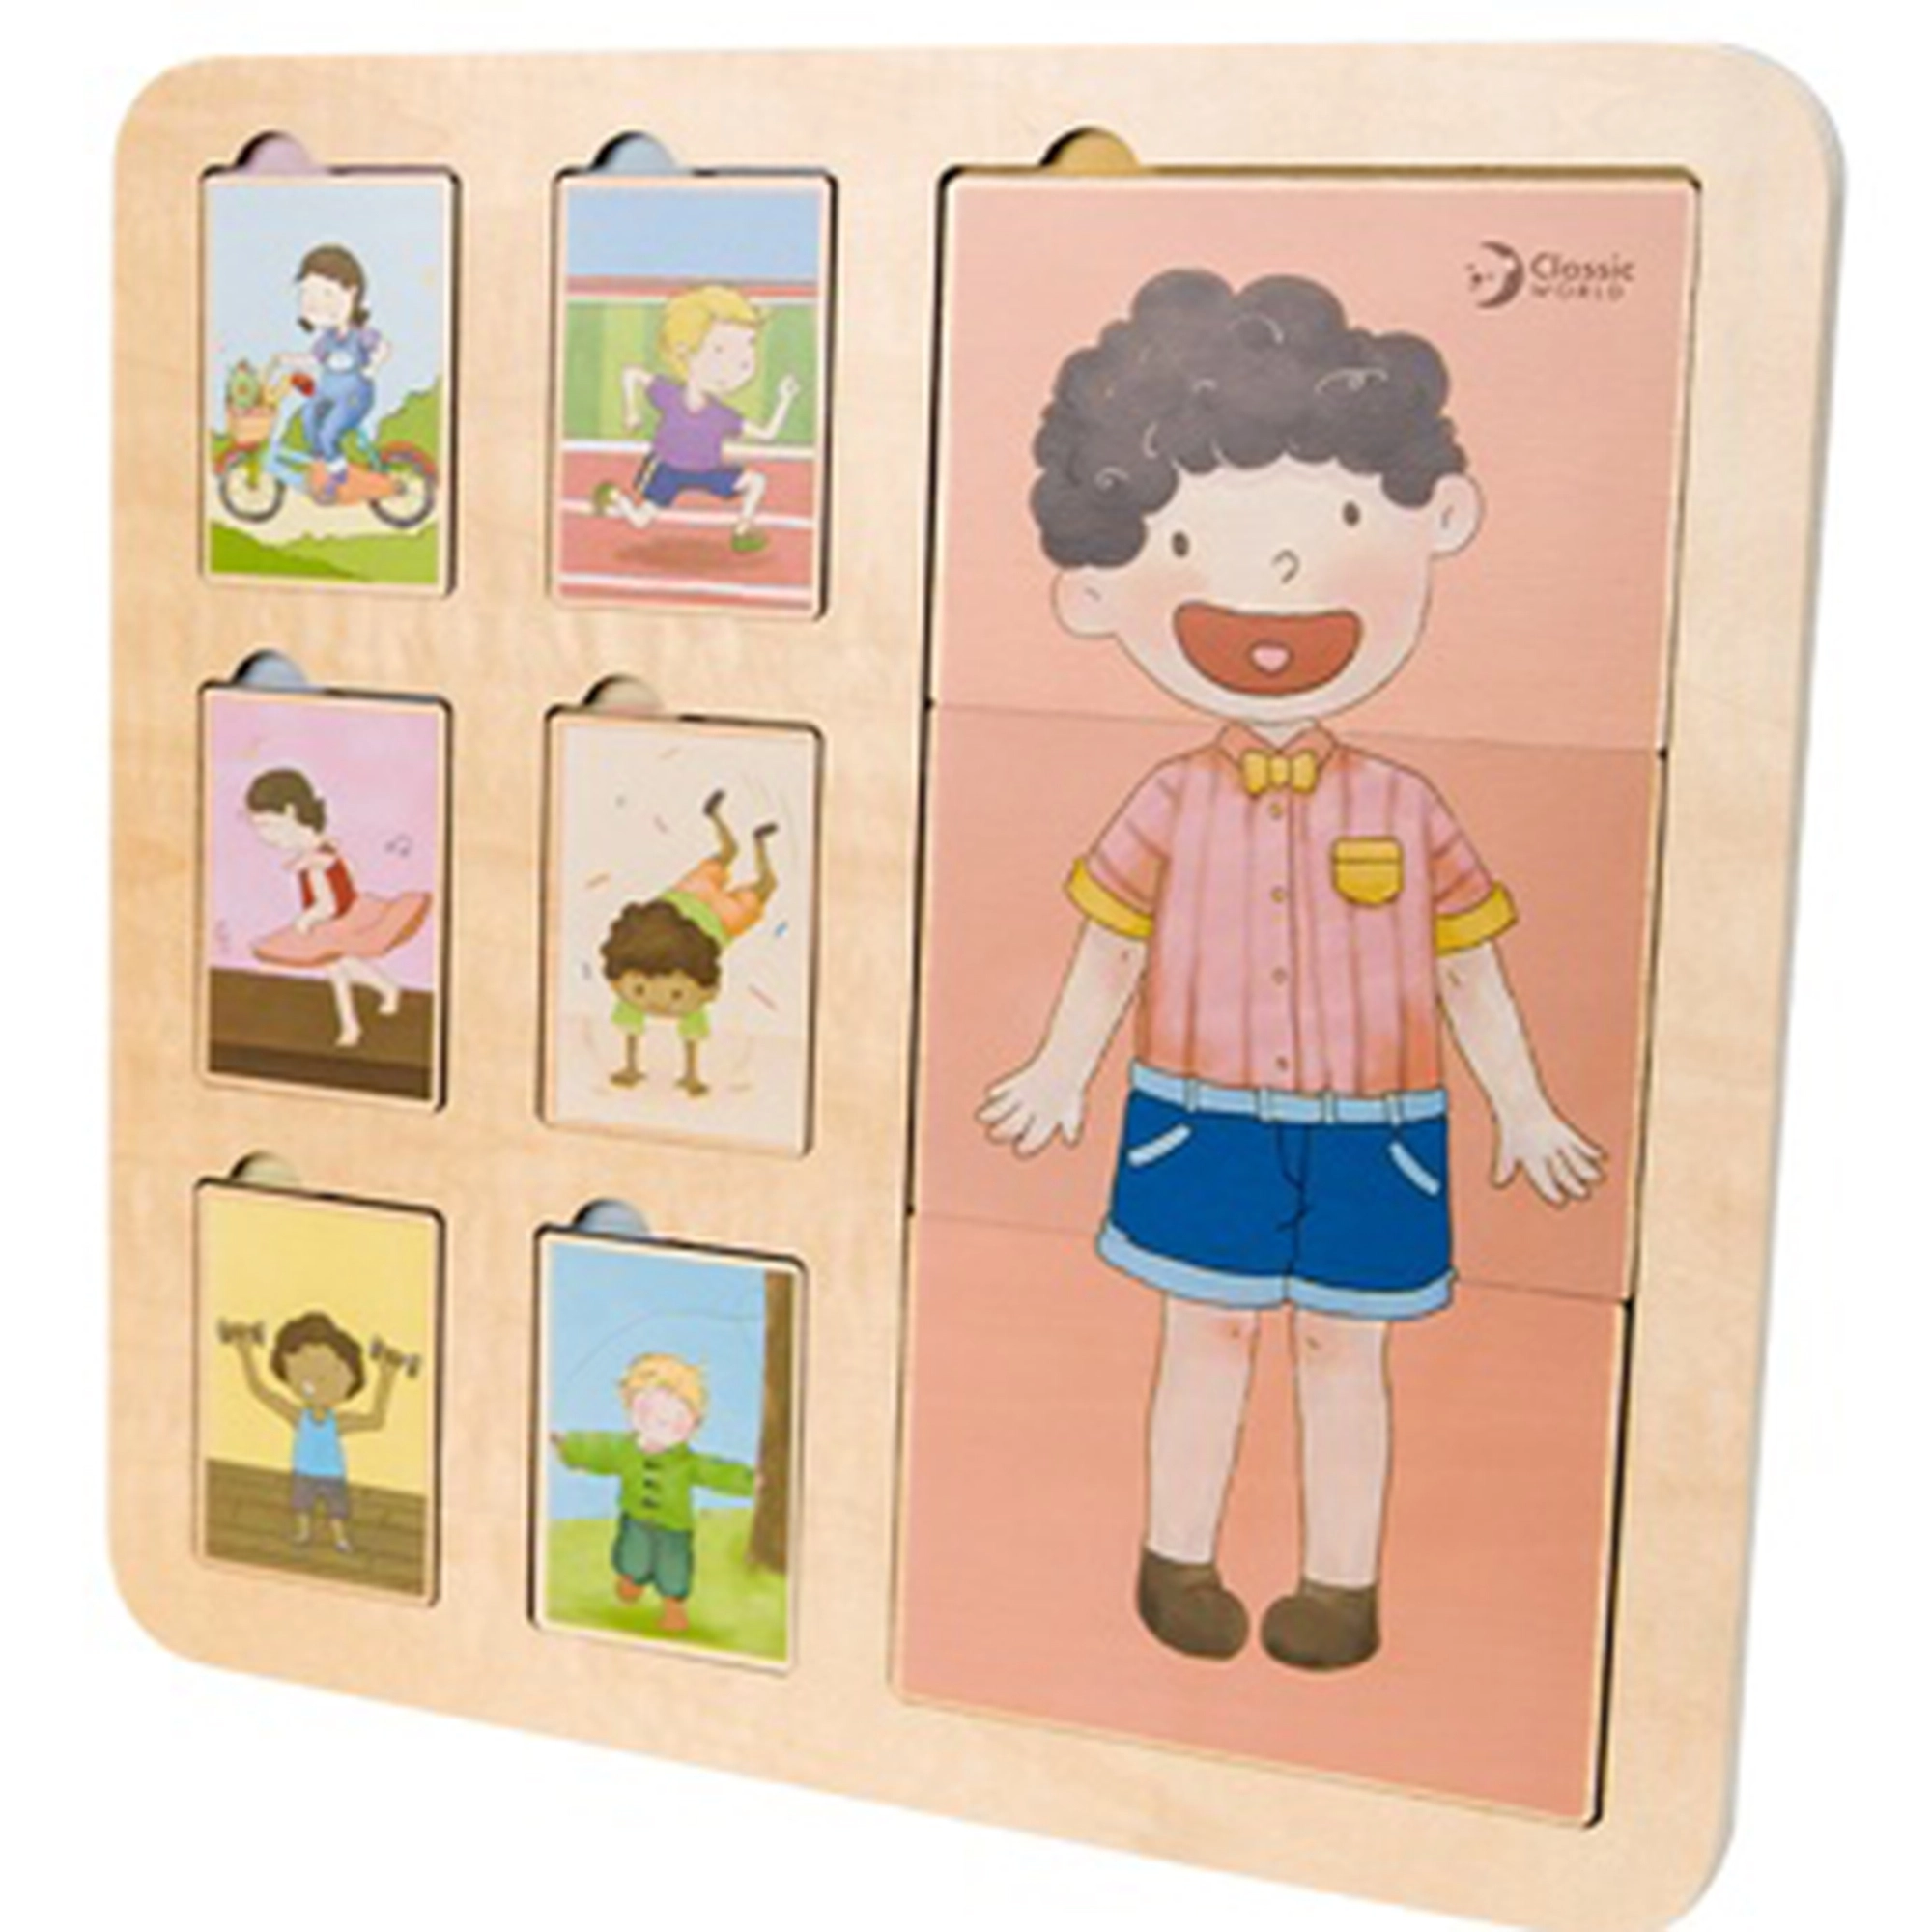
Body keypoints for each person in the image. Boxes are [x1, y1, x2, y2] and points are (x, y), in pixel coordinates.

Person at [981, 270, 1605, 1672]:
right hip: (1197, 1116)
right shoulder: (1166, 798)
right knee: (1202, 1336)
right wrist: (1057, 1069)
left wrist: (1525, 1105)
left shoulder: (1407, 804)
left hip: (1380, 1130)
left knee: (1345, 1352)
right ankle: (1175, 1558)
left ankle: (1341, 1585)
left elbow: (1470, 971)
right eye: (1195, 539)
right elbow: (1108, 943)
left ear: (1436, 520)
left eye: (1334, 529)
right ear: (1095, 588)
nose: (1276, 582)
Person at [551, 1352, 755, 1635]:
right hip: (635, 1518)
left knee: (673, 1570)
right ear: (633, 1412)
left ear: (693, 1422)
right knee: (631, 1555)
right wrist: (567, 1445)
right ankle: (632, 1579)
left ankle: (673, 1607)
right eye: (650, 1414)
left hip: (674, 1528)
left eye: (674, 1418)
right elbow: (598, 1448)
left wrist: (752, 1482)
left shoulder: (687, 1462)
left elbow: (718, 1472)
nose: (660, 1425)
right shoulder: (625, 1449)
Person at [592, 283, 800, 553]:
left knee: (756, 482)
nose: (737, 367)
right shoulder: (669, 394)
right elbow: (630, 374)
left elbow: (767, 434)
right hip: (668, 468)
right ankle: (614, 497)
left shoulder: (721, 415)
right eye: (720, 351)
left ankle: (742, 531)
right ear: (684, 352)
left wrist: (784, 400)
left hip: (707, 469)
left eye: (744, 356)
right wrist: (631, 410)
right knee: (641, 520)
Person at [601, 789, 777, 1096]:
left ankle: (753, 839)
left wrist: (687, 1077)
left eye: (675, 995)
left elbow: (666, 1027)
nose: (658, 1004)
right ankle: (739, 830)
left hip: (703, 907)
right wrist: (689, 1078)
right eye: (640, 991)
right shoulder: (646, 980)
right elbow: (688, 1032)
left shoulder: (639, 979)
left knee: (743, 866)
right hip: (710, 913)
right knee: (742, 865)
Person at [244, 767, 431, 1049]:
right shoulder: (327, 849)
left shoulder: (314, 864)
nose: (263, 836)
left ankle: (355, 1021)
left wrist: (307, 920)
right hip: (347, 915)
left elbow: (328, 904)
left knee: (338, 972)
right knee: (340, 971)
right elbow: (349, 875)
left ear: (290, 812)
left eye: (267, 825)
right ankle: (379, 997)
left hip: (334, 923)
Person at [219, 1312, 407, 1554]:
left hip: (332, 1474)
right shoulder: (299, 1417)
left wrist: (387, 1376)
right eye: (306, 1376)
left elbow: (375, 1420)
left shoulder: (336, 1422)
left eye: (330, 1375)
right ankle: (303, 1534)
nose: (317, 1385)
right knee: (302, 1507)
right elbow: (260, 1391)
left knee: (336, 1511)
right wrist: (244, 1351)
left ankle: (340, 1539)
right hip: (304, 1471)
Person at [270, 244, 391, 504]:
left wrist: (371, 369)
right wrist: (286, 359)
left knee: (328, 432)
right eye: (308, 295)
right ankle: (324, 462)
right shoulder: (327, 340)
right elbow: (314, 360)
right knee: (309, 416)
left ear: (351, 292)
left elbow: (383, 347)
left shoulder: (360, 335)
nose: (316, 305)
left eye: (327, 294)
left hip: (354, 397)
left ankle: (339, 477)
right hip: (328, 394)